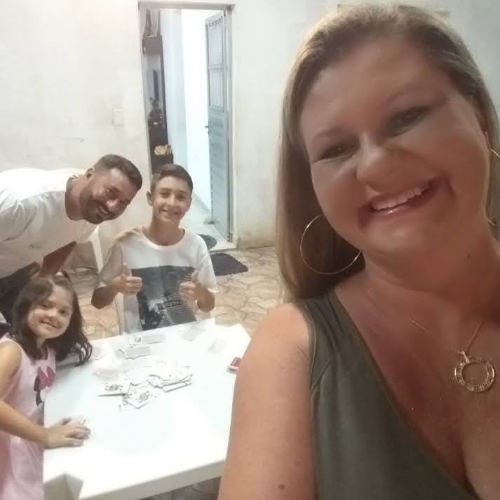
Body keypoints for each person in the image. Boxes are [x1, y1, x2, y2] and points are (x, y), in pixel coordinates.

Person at [218, 4, 500, 500]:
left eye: (407, 117)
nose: (375, 165)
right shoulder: (292, 357)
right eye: (336, 149)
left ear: (477, 113)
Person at [0, 154, 143, 330]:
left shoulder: (91, 211)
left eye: (123, 203)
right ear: (89, 175)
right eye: (111, 192)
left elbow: (67, 239)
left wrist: (44, 282)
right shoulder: (20, 203)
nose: (112, 206)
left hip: (16, 268)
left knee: (39, 331)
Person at [92, 164, 217, 332]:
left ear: (188, 204)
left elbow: (208, 305)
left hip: (186, 338)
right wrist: (115, 286)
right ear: (150, 198)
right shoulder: (124, 244)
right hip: (142, 341)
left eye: (181, 197)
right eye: (164, 194)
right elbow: (97, 301)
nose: (172, 203)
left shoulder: (196, 245)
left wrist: (201, 294)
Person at [0, 274, 92, 500]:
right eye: (45, 305)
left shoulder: (47, 348)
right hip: (11, 452)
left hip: (32, 441)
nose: (53, 315)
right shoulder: (11, 351)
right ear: (26, 306)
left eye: (63, 312)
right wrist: (45, 435)